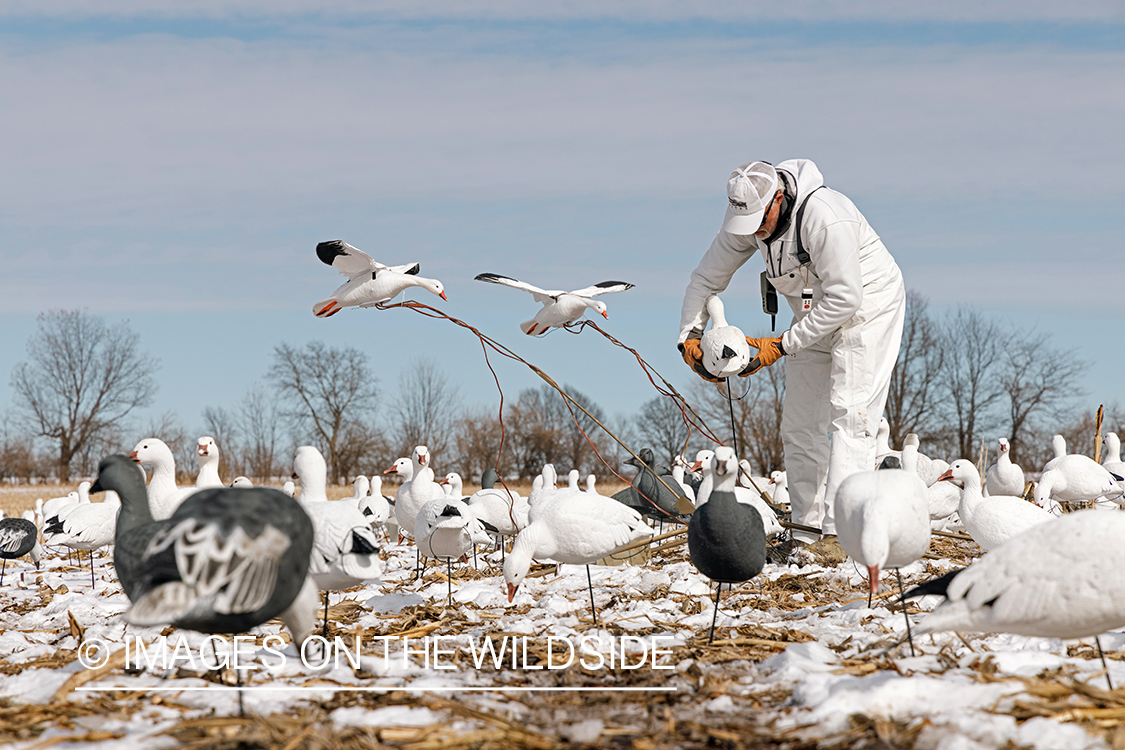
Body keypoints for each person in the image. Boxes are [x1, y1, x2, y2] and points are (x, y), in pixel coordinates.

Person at [678, 160, 905, 551]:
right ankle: (806, 531)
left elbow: (845, 298)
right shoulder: (749, 218)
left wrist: (781, 345)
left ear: (778, 199)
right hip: (810, 312)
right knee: (799, 424)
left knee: (850, 416)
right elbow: (706, 278)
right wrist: (689, 337)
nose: (753, 233)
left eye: (758, 222)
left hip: (866, 308)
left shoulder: (824, 217)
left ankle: (840, 536)